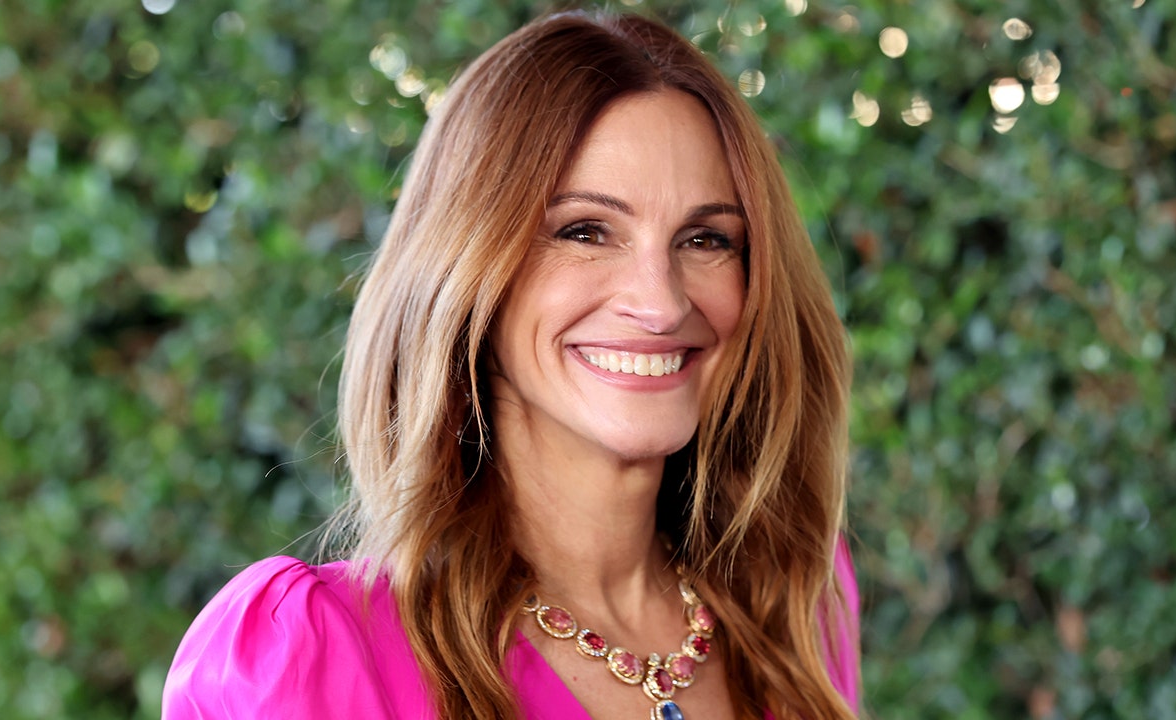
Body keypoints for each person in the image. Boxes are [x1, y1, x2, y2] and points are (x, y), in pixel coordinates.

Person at [163, 9, 858, 720]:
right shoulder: (312, 658)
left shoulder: (796, 599)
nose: (661, 303)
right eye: (585, 231)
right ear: (468, 269)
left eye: (706, 239)